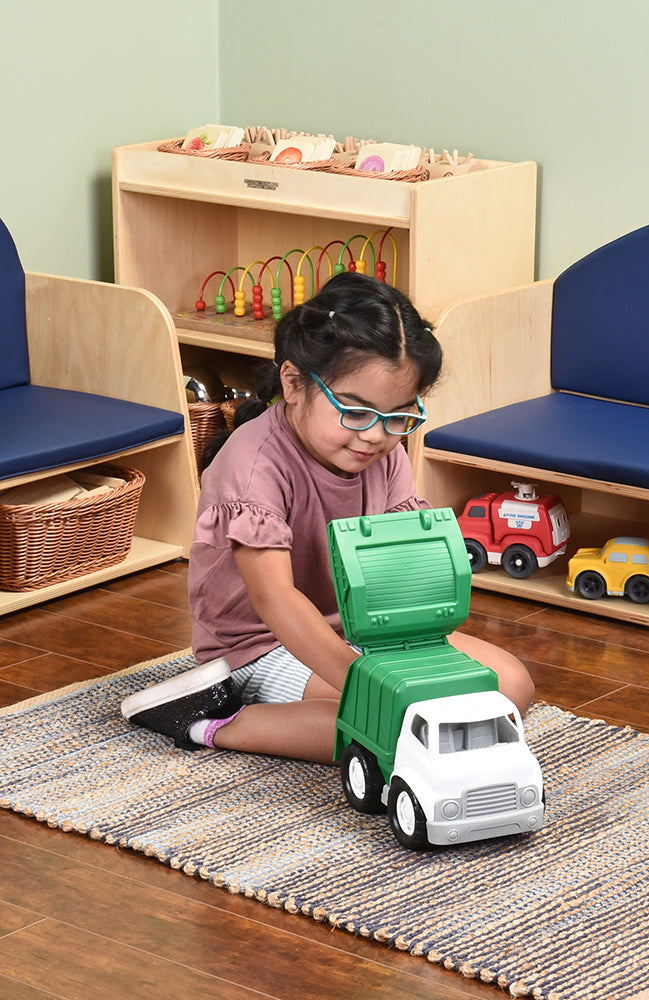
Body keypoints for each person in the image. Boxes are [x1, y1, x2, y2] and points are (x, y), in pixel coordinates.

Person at [121, 272, 534, 763]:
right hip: (262, 645)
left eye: (399, 416)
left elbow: (397, 567)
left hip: (360, 629)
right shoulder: (252, 466)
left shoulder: (384, 453)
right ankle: (208, 722)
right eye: (356, 413)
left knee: (511, 688)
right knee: (402, 727)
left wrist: (416, 649)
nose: (376, 437)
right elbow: (276, 601)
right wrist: (373, 686)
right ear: (294, 382)